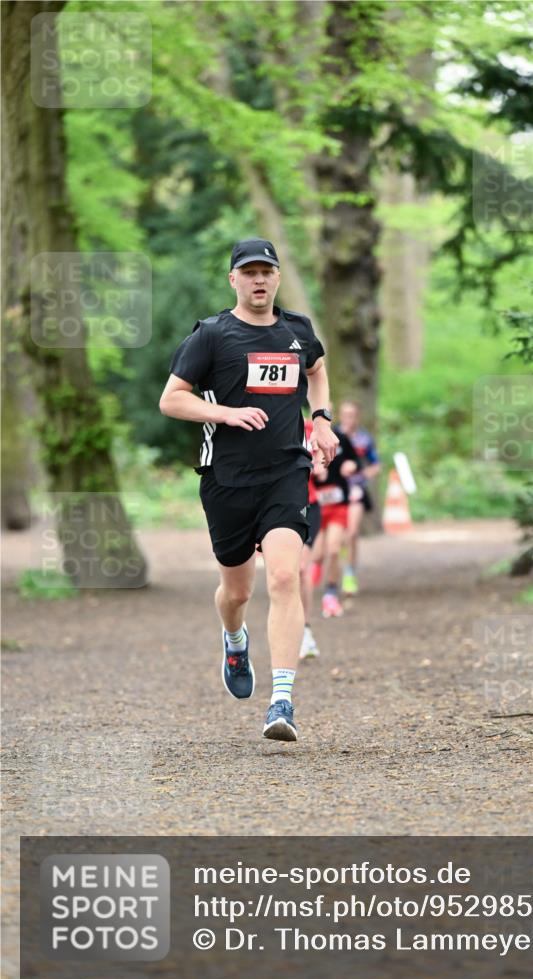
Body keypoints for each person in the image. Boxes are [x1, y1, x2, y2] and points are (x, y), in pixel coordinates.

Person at [159, 238, 338, 742]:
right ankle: (234, 639)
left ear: (277, 277)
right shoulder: (213, 335)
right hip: (227, 480)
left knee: (284, 577)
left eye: (267, 271)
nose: (259, 280)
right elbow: (171, 400)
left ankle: (281, 700)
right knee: (237, 591)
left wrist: (320, 420)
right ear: (233, 279)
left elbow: (317, 369)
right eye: (249, 272)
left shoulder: (298, 331)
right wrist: (225, 413)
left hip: (286, 471)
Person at [310, 417, 361, 618]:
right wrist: (313, 471)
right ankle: (310, 581)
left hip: (338, 505)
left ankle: (331, 593)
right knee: (318, 554)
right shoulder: (305, 438)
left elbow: (354, 460)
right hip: (316, 505)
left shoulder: (339, 438)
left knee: (333, 550)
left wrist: (350, 465)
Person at [337, 400, 381, 596]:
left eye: (352, 415)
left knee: (352, 533)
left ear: (358, 417)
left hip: (356, 489)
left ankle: (349, 574)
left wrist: (361, 475)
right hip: (335, 492)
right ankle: (329, 568)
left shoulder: (364, 439)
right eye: (345, 415)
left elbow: (376, 465)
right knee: (337, 537)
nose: (348, 419)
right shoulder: (332, 435)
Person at [299, 418, 323, 659]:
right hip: (276, 505)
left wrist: (319, 464)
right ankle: (289, 626)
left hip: (308, 503)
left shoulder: (308, 427)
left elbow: (322, 465)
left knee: (301, 568)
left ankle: (305, 630)